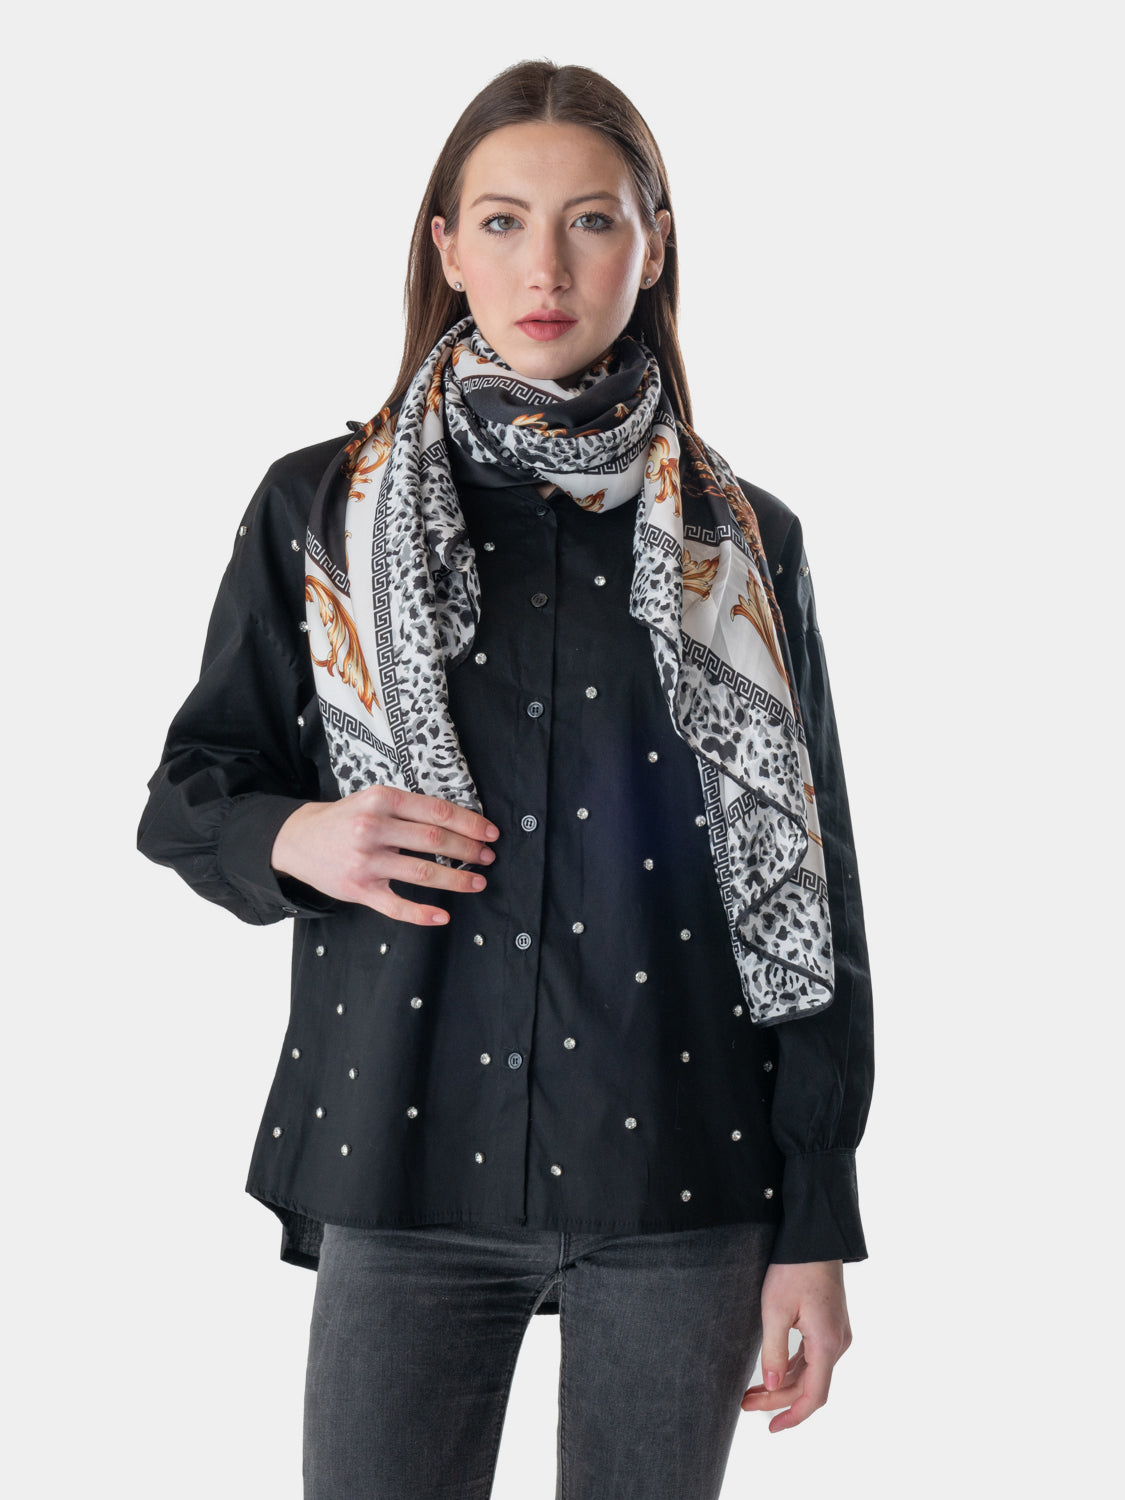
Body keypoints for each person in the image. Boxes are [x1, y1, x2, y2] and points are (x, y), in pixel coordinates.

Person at [138, 58, 874, 1500]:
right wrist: (301, 837)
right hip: (404, 1157)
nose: (546, 267)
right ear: (445, 245)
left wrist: (816, 1221)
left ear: (652, 245)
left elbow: (813, 885)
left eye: (592, 220)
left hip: (685, 1169)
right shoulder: (319, 509)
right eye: (501, 221)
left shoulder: (744, 542)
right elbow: (190, 789)